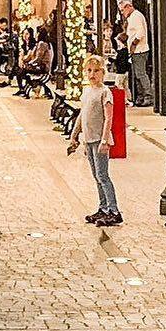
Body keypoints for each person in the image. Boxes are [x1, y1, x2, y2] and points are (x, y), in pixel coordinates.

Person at [69, 55, 121, 226]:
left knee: (103, 175)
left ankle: (113, 210)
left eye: (96, 71)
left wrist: (105, 140)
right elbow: (82, 115)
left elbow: (108, 118)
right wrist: (74, 136)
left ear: (103, 72)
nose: (92, 74)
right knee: (96, 175)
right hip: (89, 140)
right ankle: (103, 206)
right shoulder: (86, 92)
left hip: (100, 139)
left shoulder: (105, 92)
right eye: (89, 70)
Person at [119, 0, 151, 107]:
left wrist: (133, 44)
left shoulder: (136, 16)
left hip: (139, 50)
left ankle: (148, 96)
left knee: (141, 74)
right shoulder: (131, 17)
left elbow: (140, 32)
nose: (122, 13)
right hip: (135, 51)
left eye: (122, 10)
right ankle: (140, 96)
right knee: (137, 75)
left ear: (128, 6)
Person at [13, 26, 53, 96]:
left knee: (20, 71)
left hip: (42, 67)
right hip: (40, 66)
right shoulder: (41, 44)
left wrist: (28, 64)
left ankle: (28, 87)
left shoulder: (42, 44)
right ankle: (28, 87)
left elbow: (38, 59)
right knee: (19, 70)